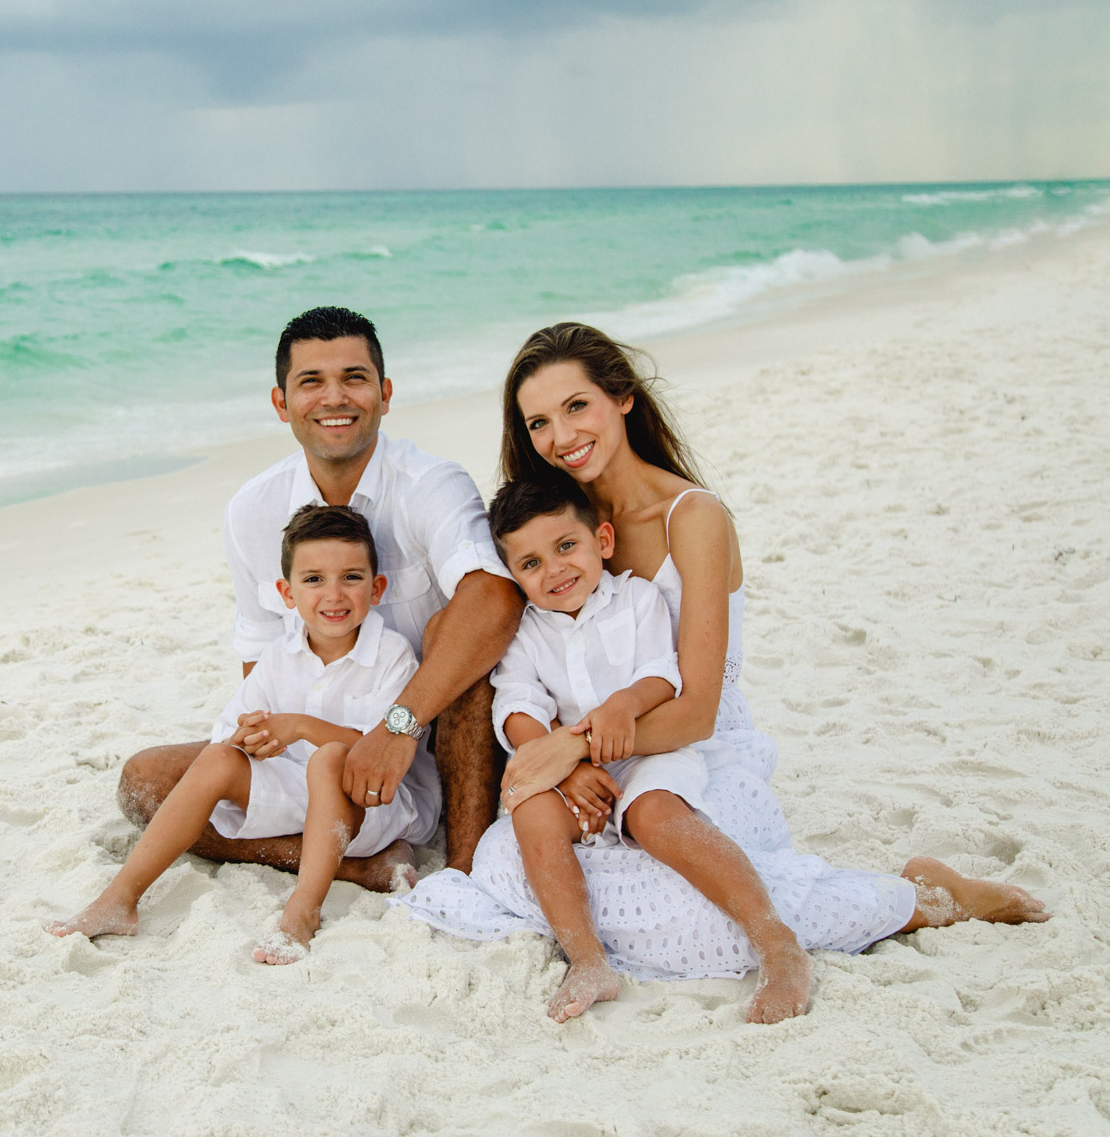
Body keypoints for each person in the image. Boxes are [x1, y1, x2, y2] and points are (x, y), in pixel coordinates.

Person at [398, 322, 1049, 1024]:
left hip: (693, 751)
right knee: (513, 868)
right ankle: (595, 949)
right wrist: (551, 748)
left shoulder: (691, 518)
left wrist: (571, 744)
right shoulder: (552, 528)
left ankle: (920, 898)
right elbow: (511, 658)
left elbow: (695, 710)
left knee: (687, 910)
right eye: (539, 423)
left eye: (576, 406)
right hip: (585, 760)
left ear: (621, 398)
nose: (561, 436)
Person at [117, 307, 523, 882]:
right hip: (321, 753)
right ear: (282, 403)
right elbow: (261, 652)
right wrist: (268, 748)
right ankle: (357, 867)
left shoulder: (431, 484)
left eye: (354, 378)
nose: (335, 397)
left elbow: (495, 599)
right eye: (311, 382)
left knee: (460, 638)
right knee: (146, 783)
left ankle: (463, 871)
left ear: (383, 393)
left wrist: (398, 728)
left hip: (442, 739)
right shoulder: (253, 509)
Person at [49, 504, 434, 963]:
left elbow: (380, 753)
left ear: (377, 588)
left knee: (329, 757)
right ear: (287, 593)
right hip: (297, 793)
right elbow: (226, 731)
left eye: (351, 577)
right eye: (313, 580)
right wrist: (248, 737)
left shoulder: (393, 655)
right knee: (216, 759)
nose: (333, 594)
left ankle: (302, 913)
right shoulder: (279, 655)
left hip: (373, 804)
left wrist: (299, 725)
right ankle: (119, 899)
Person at [485, 475, 702, 1021]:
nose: (554, 570)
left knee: (655, 814)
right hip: (568, 771)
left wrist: (624, 704)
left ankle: (773, 938)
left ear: (602, 541)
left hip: (646, 754)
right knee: (531, 811)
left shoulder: (636, 598)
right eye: (530, 564)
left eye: (565, 547)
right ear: (514, 577)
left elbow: (663, 673)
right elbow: (516, 706)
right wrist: (558, 770)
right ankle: (588, 959)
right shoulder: (526, 632)